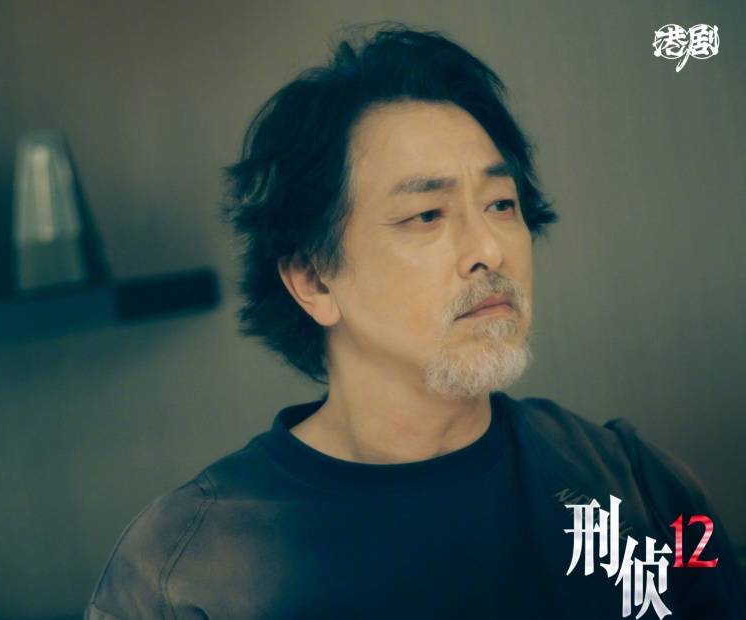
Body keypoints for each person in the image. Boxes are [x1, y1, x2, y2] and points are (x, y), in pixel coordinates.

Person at [85, 24, 746, 619]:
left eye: (501, 204)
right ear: (314, 280)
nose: (488, 250)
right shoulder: (187, 569)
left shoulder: (632, 484)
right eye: (427, 215)